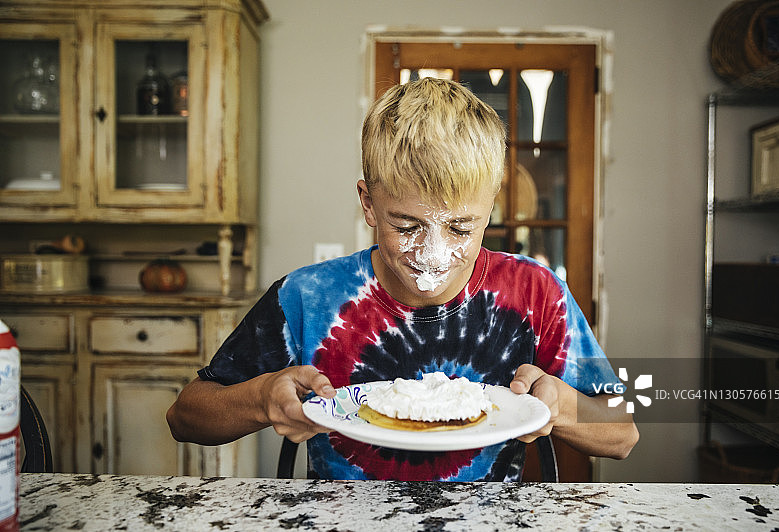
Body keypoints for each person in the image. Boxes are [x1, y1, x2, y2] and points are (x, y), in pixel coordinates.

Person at [167, 77, 638, 481]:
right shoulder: (307, 297)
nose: (433, 254)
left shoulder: (536, 293)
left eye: (460, 227)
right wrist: (261, 397)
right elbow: (185, 416)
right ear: (368, 203)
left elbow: (622, 435)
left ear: (490, 207)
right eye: (407, 226)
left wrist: (559, 406)